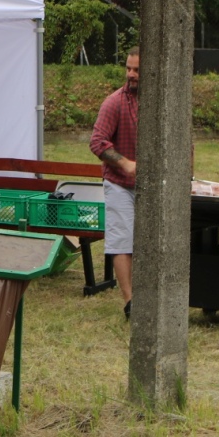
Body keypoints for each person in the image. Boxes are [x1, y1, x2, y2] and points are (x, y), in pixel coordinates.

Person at [90, 47, 139, 318]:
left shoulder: (161, 102)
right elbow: (97, 142)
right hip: (119, 183)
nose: (131, 74)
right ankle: (130, 302)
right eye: (128, 68)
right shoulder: (114, 102)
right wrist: (125, 164)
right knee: (122, 240)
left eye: (137, 70)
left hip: (152, 186)